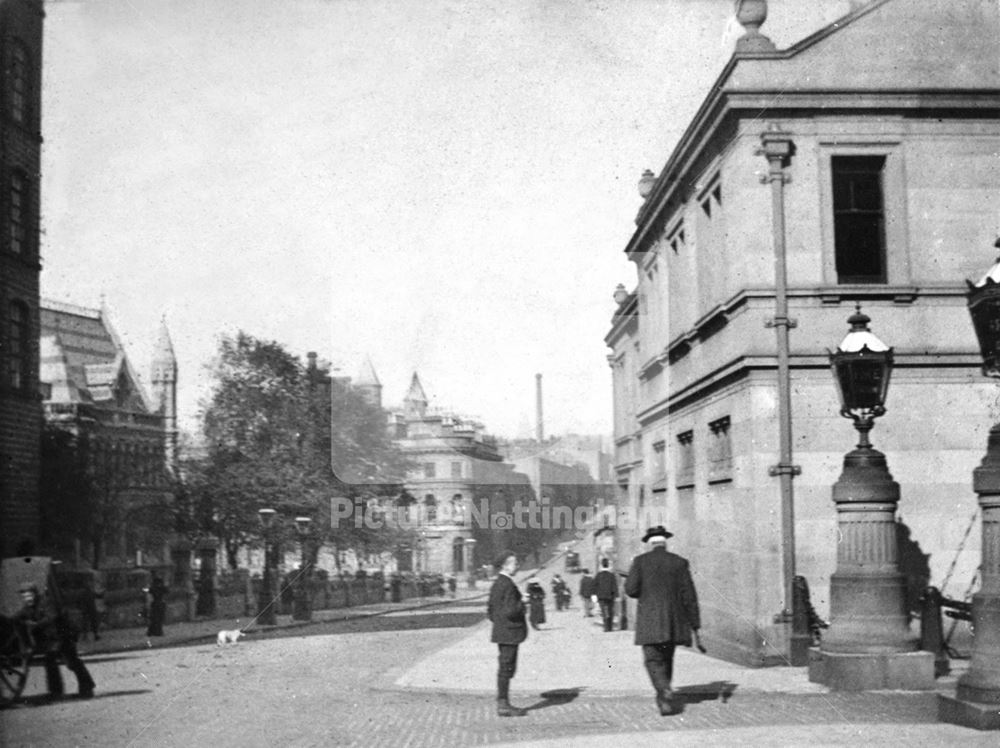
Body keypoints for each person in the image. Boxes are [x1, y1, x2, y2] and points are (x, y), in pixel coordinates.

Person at [625, 525, 701, 716]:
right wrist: (695, 624)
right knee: (667, 659)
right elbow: (689, 595)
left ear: (649, 544)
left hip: (650, 622)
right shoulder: (679, 562)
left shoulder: (640, 561)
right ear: (665, 542)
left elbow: (631, 590)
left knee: (652, 660)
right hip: (674, 623)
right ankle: (664, 697)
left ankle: (664, 689)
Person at [16, 582, 95, 699]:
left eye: (30, 596)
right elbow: (17, 617)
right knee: (50, 662)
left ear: (35, 594)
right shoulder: (28, 608)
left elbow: (51, 617)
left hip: (63, 636)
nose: (28, 599)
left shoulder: (46, 602)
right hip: (52, 639)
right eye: (25, 597)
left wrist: (35, 625)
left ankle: (87, 687)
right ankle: (56, 691)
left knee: (72, 663)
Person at [487, 551, 528, 717]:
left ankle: (503, 702)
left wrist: (500, 623)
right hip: (510, 633)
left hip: (502, 632)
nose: (517, 566)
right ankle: (503, 704)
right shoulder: (508, 585)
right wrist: (523, 602)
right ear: (505, 565)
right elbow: (511, 611)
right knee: (506, 668)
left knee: (505, 667)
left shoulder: (498, 583)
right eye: (514, 563)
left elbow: (490, 611)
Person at [594, 558, 619, 632]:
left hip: (601, 597)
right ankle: (610, 627)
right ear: (608, 565)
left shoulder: (598, 575)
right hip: (610, 597)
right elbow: (614, 586)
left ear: (601, 565)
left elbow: (595, 586)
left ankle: (606, 627)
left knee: (604, 611)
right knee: (610, 611)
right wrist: (616, 596)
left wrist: (595, 595)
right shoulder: (611, 575)